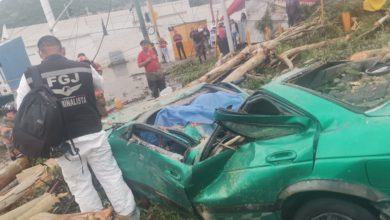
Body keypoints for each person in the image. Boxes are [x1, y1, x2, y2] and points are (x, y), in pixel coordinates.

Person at [16, 35, 139, 220]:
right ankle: (128, 213)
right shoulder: (84, 67)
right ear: (62, 50)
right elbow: (101, 84)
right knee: (110, 175)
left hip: (62, 142)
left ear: (40, 54)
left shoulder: (31, 76)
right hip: (93, 133)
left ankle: (96, 217)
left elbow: (22, 107)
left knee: (80, 184)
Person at [77, 53, 108, 118]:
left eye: (85, 62)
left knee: (102, 112)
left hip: (98, 96)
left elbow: (100, 78)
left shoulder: (94, 66)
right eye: (82, 62)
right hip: (88, 98)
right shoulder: (77, 71)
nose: (84, 64)